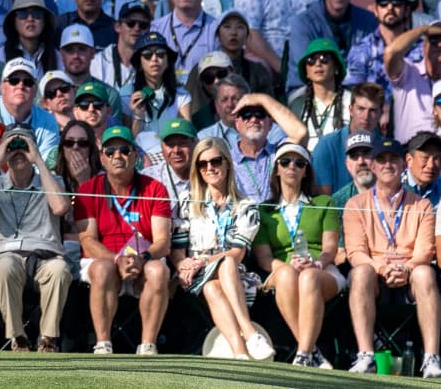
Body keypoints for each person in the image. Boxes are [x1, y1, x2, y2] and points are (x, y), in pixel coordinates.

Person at [342, 137, 441, 377]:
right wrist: (381, 268)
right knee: (361, 272)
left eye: (393, 159)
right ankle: (366, 356)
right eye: (381, 160)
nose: (387, 165)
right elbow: (355, 252)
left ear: (404, 164)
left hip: (410, 277)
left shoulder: (423, 205)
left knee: (425, 272)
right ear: (373, 167)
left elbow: (425, 250)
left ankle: (431, 358)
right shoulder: (355, 204)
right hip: (375, 277)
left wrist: (406, 269)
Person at [0, 128, 71, 353]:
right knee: (5, 266)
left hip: (46, 256)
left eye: (23, 146)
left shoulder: (51, 181)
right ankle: (18, 337)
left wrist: (38, 160)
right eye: (11, 147)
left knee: (60, 270)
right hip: (7, 256)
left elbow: (60, 207)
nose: (18, 152)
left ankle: (48, 338)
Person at [74, 126, 172, 355]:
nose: (117, 155)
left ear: (135, 155)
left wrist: (142, 258)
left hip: (143, 257)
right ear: (102, 158)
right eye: (110, 151)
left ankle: (148, 344)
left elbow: (163, 241)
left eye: (124, 150)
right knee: (102, 269)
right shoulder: (88, 189)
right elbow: (87, 240)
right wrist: (117, 259)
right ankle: (103, 343)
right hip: (104, 257)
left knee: (158, 271)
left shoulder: (155, 188)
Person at [173, 137, 272, 361]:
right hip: (195, 274)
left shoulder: (246, 206)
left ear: (227, 163)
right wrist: (183, 263)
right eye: (202, 163)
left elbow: (238, 253)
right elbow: (177, 247)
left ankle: (239, 353)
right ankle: (251, 334)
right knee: (222, 268)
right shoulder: (187, 201)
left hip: (233, 274)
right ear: (197, 169)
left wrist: (205, 261)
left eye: (216, 161)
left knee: (219, 278)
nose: (210, 168)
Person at [253, 143, 345, 368]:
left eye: (299, 163)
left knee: (308, 277)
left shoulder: (325, 203)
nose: (291, 167)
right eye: (285, 162)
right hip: (282, 270)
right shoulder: (264, 209)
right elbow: (264, 258)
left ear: (306, 171)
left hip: (321, 270)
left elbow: (330, 249)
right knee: (285, 274)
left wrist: (316, 263)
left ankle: (303, 352)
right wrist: (287, 266)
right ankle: (312, 352)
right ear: (276, 169)